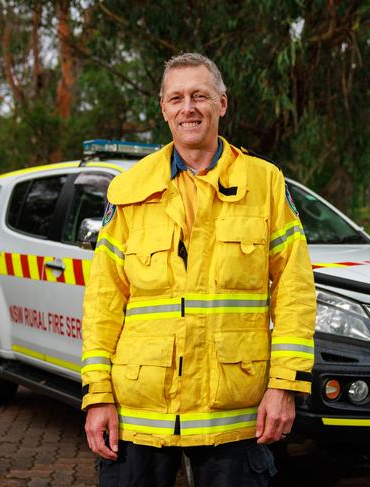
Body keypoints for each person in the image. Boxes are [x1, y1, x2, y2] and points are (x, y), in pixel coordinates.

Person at [81, 52, 316, 487]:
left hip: (233, 412)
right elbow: (103, 301)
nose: (187, 107)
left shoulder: (265, 183)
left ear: (221, 104)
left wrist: (285, 386)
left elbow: (295, 290)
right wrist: (97, 396)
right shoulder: (129, 190)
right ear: (164, 109)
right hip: (140, 412)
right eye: (176, 98)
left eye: (199, 96)